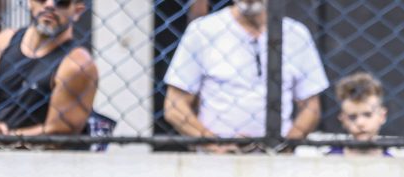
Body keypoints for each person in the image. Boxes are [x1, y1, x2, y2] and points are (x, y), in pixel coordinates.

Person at [163, 0, 328, 151]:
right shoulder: (203, 31)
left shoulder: (296, 34)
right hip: (216, 160)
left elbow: (311, 108)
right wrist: (215, 145)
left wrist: (285, 147)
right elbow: (174, 107)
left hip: (276, 158)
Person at [0, 0, 99, 142]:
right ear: (30, 2)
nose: (50, 5)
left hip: (43, 158)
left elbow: (59, 133)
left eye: (62, 2)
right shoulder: (5, 40)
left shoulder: (77, 64)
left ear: (77, 11)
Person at [328, 72, 390, 156]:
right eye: (352, 117)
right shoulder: (333, 157)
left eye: (368, 115)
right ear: (343, 119)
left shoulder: (390, 160)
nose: (360, 123)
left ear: (382, 116)